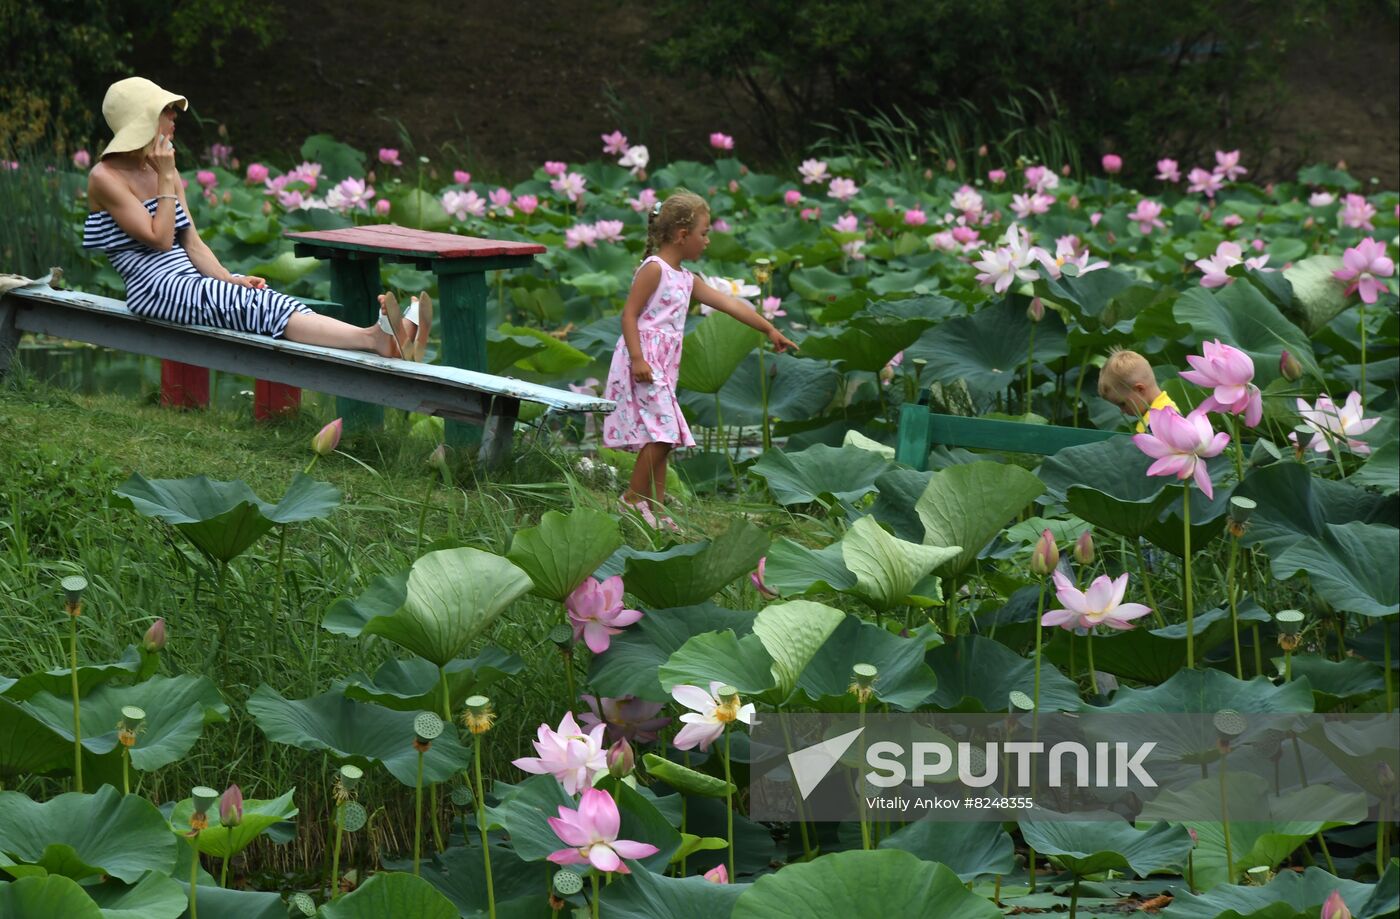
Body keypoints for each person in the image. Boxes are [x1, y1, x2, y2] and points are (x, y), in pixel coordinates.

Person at [82, 77, 429, 359]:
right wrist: (166, 178)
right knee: (256, 306)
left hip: (188, 281)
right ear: (144, 119)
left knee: (271, 299)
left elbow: (191, 241)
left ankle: (378, 338)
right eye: (167, 112)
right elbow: (159, 240)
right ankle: (375, 339)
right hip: (154, 289)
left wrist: (227, 279)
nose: (175, 119)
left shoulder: (160, 168)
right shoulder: (106, 177)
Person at [601, 190, 797, 529]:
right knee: (664, 432)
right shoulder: (654, 269)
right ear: (681, 236)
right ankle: (632, 500)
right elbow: (629, 316)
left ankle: (658, 509)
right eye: (704, 233)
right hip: (643, 360)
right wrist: (637, 359)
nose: (707, 241)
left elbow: (729, 304)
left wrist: (769, 329)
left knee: (661, 435)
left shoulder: (687, 279)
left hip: (664, 364)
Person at [1097, 347, 1177, 433]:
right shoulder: (1166, 410)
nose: (1123, 411)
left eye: (1122, 404)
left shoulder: (1158, 421)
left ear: (1140, 389)